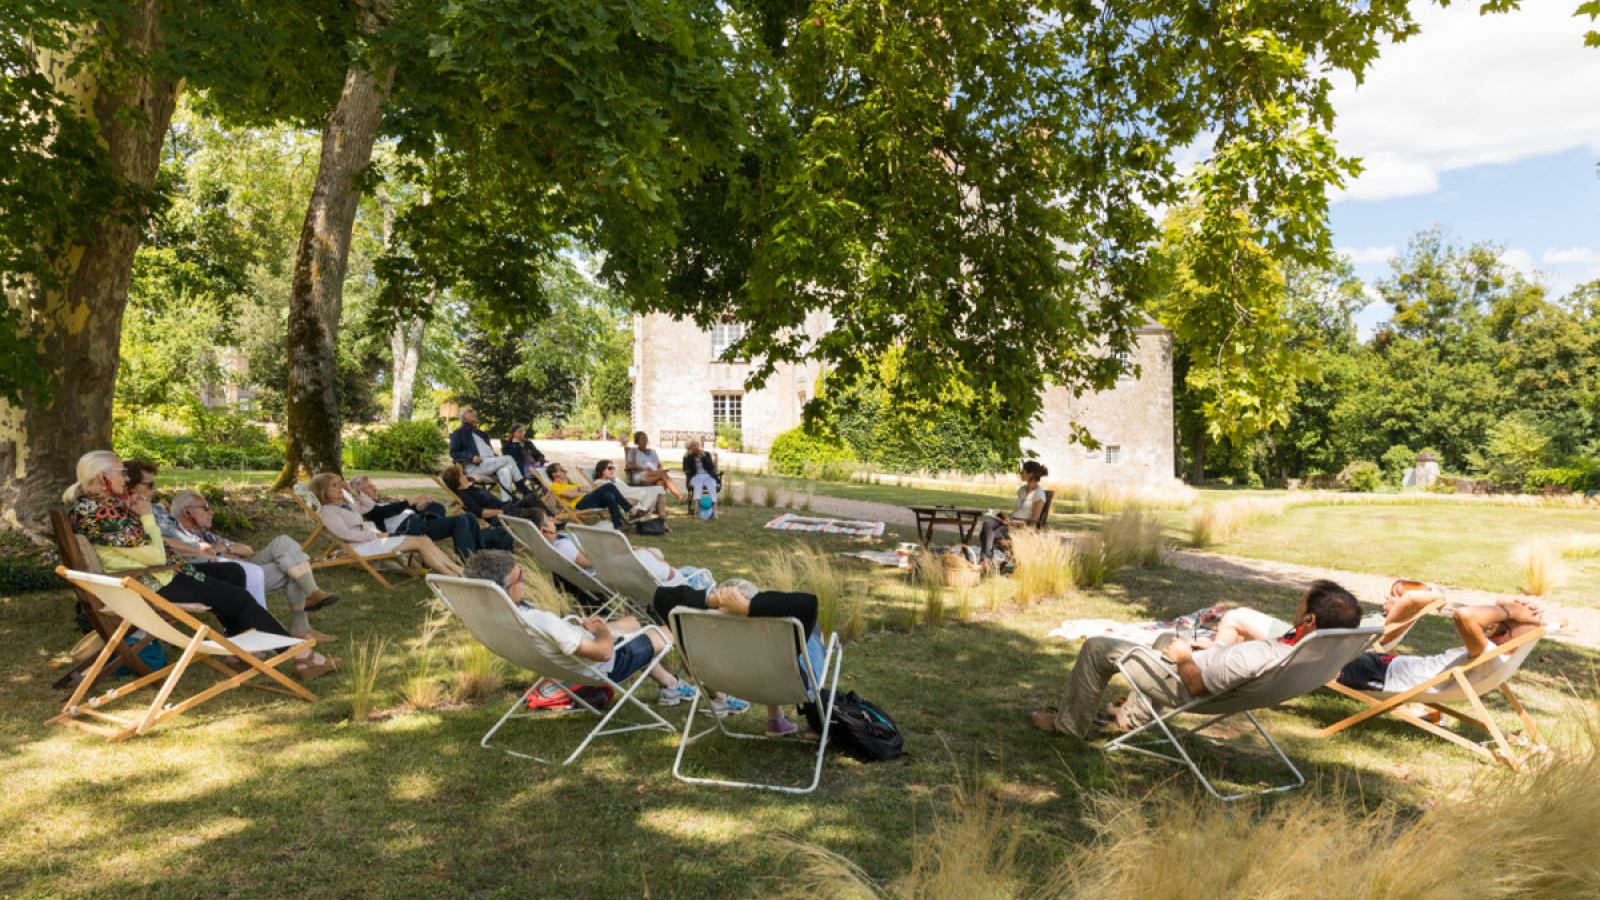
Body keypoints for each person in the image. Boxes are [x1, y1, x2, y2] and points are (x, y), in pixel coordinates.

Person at [64, 451, 337, 681]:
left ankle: (239, 650)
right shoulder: (102, 512)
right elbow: (155, 557)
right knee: (238, 598)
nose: (126, 478)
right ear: (103, 477)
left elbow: (147, 550)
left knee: (232, 572)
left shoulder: (95, 506)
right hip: (148, 582)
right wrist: (146, 516)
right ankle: (301, 657)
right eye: (121, 472)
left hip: (151, 575)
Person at [1031, 579, 1363, 738]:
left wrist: (1184, 658)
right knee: (1165, 639)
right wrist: (1215, 652)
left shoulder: (1264, 654)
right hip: (1224, 680)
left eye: (1302, 603)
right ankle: (1131, 719)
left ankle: (1068, 727)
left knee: (1097, 649)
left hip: (1186, 688)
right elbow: (1235, 667)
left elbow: (1198, 686)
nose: (1297, 605)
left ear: (1310, 621)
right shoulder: (1322, 652)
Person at [462, 550, 748, 715]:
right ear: (506, 588)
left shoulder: (495, 616)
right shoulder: (541, 620)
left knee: (633, 623)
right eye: (520, 577)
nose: (525, 579)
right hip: (605, 663)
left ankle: (670, 687)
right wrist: (602, 634)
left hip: (568, 655)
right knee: (680, 631)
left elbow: (563, 638)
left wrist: (585, 630)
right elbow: (604, 651)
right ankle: (719, 698)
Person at [165, 489, 340, 643]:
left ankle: (312, 597)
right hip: (227, 579)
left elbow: (247, 549)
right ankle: (303, 623)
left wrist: (222, 548)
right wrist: (222, 553)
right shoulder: (178, 535)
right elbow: (198, 559)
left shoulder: (208, 535)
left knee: (285, 545)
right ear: (186, 511)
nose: (211, 511)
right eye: (205, 507)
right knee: (295, 566)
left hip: (245, 570)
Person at [1334, 589, 1547, 699]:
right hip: (1387, 665)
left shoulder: (1490, 656)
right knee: (1334, 644)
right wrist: (1512, 609)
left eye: (1499, 624)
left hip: (1380, 676)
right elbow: (1498, 604)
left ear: (1502, 634)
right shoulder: (1498, 656)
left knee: (1320, 655)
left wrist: (1512, 612)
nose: (1491, 625)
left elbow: (1464, 616)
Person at [309, 473, 463, 576]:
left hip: (372, 540)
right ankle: (454, 575)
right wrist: (374, 535)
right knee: (421, 542)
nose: (340, 488)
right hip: (363, 546)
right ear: (324, 492)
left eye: (340, 484)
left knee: (424, 540)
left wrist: (352, 491)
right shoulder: (328, 512)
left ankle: (456, 571)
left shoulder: (344, 505)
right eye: (334, 486)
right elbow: (345, 535)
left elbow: (369, 506)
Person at [528, 508, 709, 589]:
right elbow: (589, 562)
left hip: (604, 568)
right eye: (548, 519)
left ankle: (652, 596)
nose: (552, 519)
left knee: (654, 552)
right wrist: (622, 551)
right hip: (606, 573)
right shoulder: (561, 546)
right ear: (543, 529)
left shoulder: (556, 542)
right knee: (648, 554)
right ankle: (683, 587)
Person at [352, 472, 512, 557]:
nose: (375, 489)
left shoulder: (379, 502)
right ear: (359, 492)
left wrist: (419, 506)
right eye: (370, 487)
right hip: (409, 530)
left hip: (419, 521)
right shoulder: (369, 508)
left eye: (374, 486)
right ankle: (467, 560)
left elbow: (399, 511)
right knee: (461, 520)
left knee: (466, 516)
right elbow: (383, 513)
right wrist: (411, 501)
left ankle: (476, 550)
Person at [448, 407, 534, 501]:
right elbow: (454, 453)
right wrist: (471, 457)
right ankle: (524, 490)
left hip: (490, 464)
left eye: (474, 410)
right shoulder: (458, 433)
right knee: (508, 459)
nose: (474, 412)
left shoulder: (482, 434)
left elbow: (490, 452)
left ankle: (507, 503)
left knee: (505, 471)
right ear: (463, 417)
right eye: (470, 411)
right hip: (474, 465)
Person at [545, 462, 650, 531]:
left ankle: (617, 526)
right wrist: (580, 490)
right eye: (561, 470)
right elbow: (570, 495)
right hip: (581, 504)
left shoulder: (569, 484)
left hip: (588, 499)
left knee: (609, 495)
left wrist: (579, 490)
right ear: (555, 475)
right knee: (608, 485)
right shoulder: (555, 486)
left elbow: (589, 489)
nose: (565, 471)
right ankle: (631, 510)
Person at [978, 461, 1049, 561]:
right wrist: (1006, 517)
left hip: (1022, 528)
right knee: (987, 524)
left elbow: (1034, 520)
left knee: (987, 533)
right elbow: (1019, 509)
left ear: (1030, 474)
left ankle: (985, 561)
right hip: (1010, 522)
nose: (1020, 473)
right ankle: (985, 561)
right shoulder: (1022, 490)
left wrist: (1012, 523)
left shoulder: (1039, 494)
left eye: (1023, 471)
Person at [438, 464, 545, 528]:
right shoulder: (465, 495)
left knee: (532, 499)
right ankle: (547, 525)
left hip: (507, 508)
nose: (465, 476)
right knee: (533, 507)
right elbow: (481, 513)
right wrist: (501, 511)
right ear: (458, 480)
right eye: (462, 475)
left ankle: (548, 523)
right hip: (501, 516)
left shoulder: (469, 489)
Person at [591, 459, 669, 524]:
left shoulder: (613, 479)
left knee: (659, 489)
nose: (612, 470)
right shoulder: (599, 482)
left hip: (633, 491)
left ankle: (662, 518)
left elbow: (625, 487)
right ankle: (645, 521)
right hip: (627, 496)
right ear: (602, 470)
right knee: (654, 492)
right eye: (610, 468)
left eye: (613, 468)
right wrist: (626, 499)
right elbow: (606, 494)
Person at [624, 432, 685, 501]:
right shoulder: (633, 451)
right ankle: (678, 495)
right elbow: (629, 464)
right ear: (637, 440)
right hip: (640, 475)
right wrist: (643, 469)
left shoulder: (652, 452)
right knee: (662, 474)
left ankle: (659, 509)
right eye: (642, 438)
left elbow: (658, 464)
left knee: (661, 482)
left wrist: (661, 470)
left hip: (655, 474)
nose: (645, 440)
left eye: (646, 438)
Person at [682, 441, 720, 519]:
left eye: (697, 445)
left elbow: (711, 468)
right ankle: (696, 511)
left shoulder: (706, 454)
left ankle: (714, 512)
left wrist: (704, 457)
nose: (696, 447)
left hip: (707, 476)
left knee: (712, 485)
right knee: (698, 485)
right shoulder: (689, 456)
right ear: (689, 448)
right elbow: (686, 470)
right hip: (695, 476)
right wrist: (686, 458)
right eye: (694, 445)